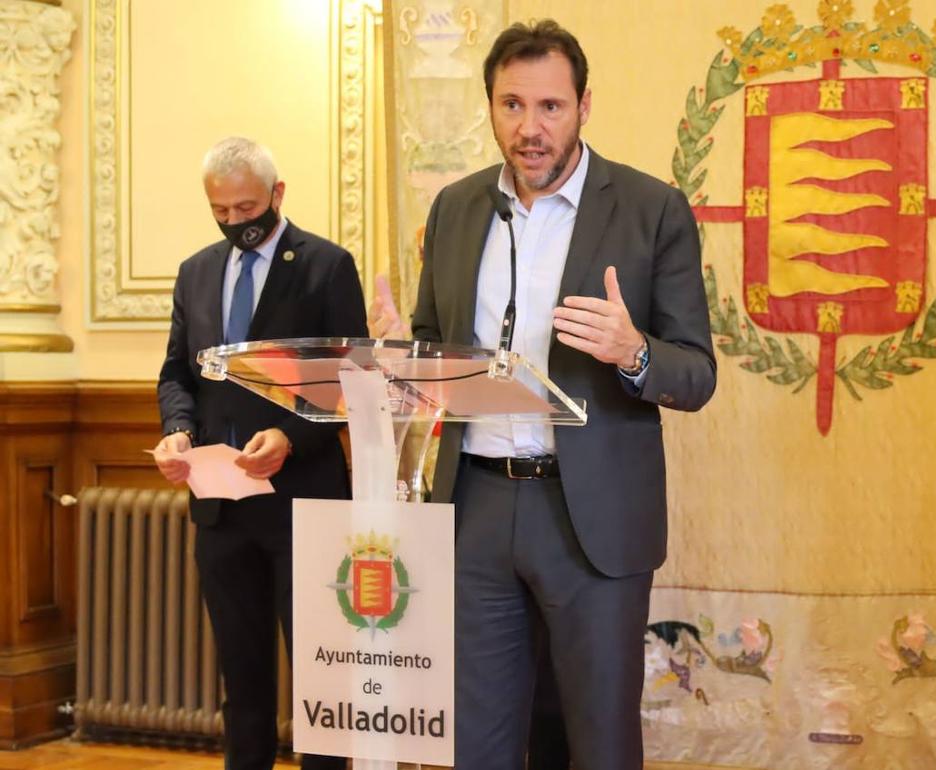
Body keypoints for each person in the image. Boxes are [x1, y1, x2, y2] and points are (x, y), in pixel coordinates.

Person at [408, 19, 716, 770]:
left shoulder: (651, 209)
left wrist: (633, 351)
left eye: (550, 107)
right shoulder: (455, 207)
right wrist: (402, 356)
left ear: (585, 106)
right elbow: (430, 338)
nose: (530, 128)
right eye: (511, 105)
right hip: (474, 508)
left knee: (599, 743)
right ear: (490, 107)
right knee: (474, 743)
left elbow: (696, 373)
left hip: (592, 518)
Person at [153, 137, 367, 770]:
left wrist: (290, 438)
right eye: (220, 212)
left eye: (246, 207)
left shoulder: (327, 266)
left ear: (277, 194)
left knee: (323, 681)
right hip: (222, 508)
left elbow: (348, 383)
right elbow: (176, 374)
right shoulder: (195, 272)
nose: (235, 222)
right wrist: (179, 429)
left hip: (305, 502)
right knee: (241, 683)